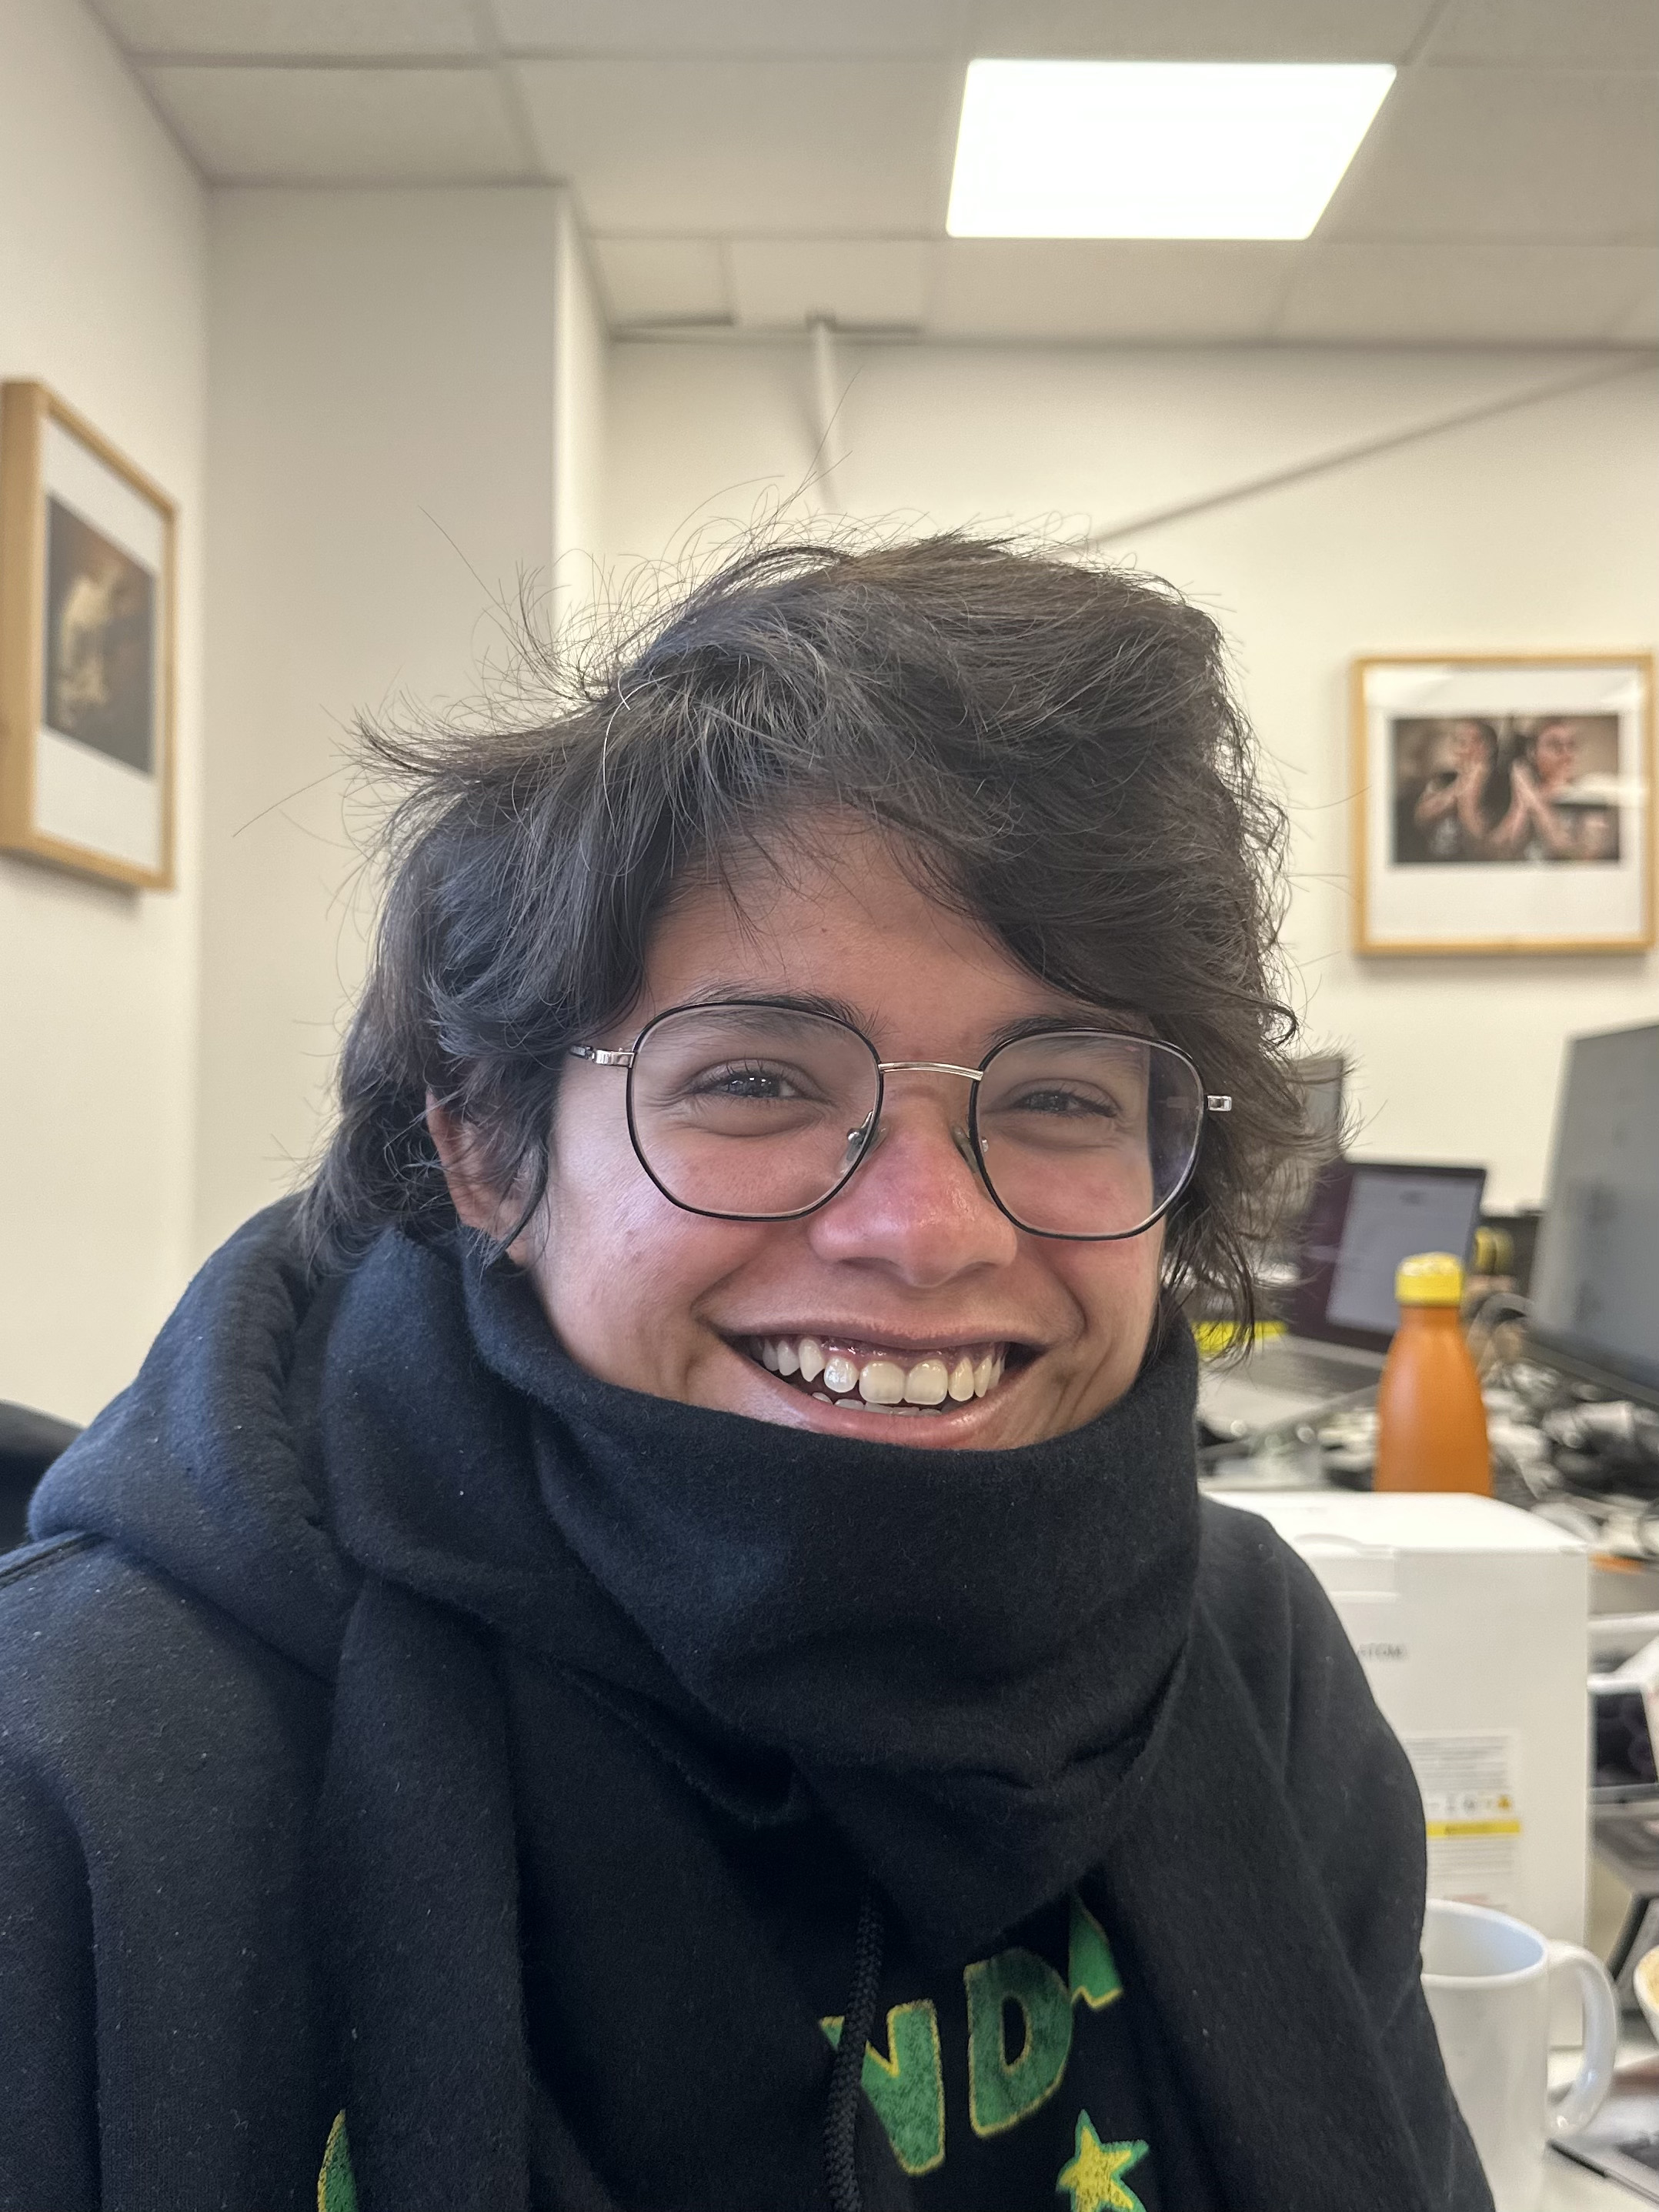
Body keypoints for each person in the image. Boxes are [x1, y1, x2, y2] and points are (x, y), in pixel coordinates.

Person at [0, 539, 1490, 2212]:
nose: (925, 1232)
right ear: (487, 1148)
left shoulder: (1238, 1650)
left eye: (1063, 1095)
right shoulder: (82, 1773)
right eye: (757, 1080)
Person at [1484, 718, 1601, 862]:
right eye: (1555, 745)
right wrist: (1520, 805)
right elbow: (1496, 851)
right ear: (1533, 753)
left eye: (1571, 745)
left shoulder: (1588, 798)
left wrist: (1534, 801)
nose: (1566, 754)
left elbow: (1576, 856)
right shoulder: (1521, 792)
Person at [1401, 718, 1499, 862]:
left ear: (1485, 748)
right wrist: (1465, 784)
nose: (1456, 750)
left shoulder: (1499, 785)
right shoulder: (1444, 778)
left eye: (1462, 743)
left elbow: (1480, 841)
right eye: (1455, 742)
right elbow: (1422, 817)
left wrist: (1475, 781)